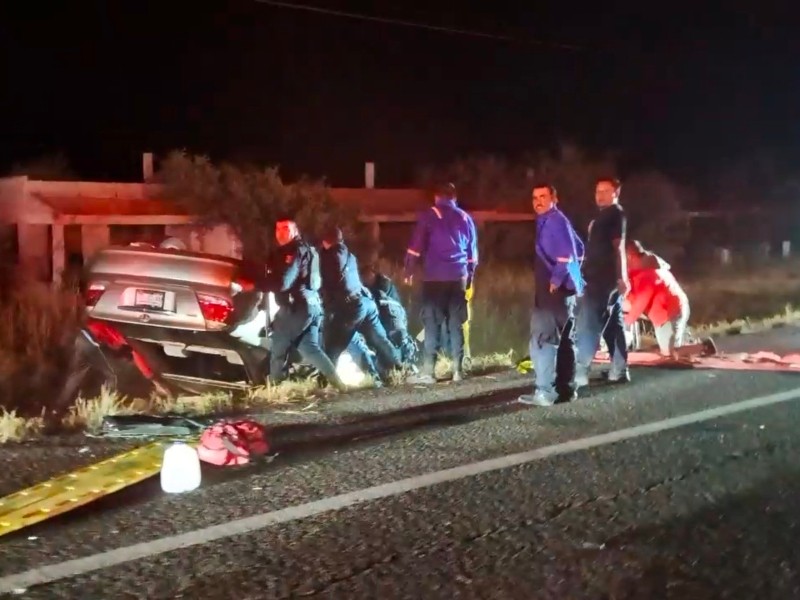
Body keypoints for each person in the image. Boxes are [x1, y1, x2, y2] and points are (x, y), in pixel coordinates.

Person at [518, 183, 585, 407]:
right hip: (565, 295)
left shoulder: (554, 221)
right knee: (565, 341)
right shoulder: (556, 220)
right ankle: (566, 390)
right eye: (535, 197)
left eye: (543, 196)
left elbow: (566, 254)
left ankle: (545, 392)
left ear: (554, 198)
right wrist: (570, 277)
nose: (538, 201)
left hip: (552, 294)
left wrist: (556, 279)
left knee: (542, 341)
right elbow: (579, 249)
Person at [266, 218, 345, 390]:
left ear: (295, 231)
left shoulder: (294, 251)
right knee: (310, 349)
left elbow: (283, 283)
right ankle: (339, 386)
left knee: (278, 347)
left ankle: (273, 391)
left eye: (286, 228)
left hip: (297, 307)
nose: (280, 233)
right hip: (313, 306)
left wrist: (255, 285)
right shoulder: (308, 249)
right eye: (277, 229)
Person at [319, 226, 403, 385]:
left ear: (325, 241)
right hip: (365, 302)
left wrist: (328, 306)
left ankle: (324, 381)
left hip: (349, 308)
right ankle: (399, 368)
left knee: (335, 345)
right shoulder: (349, 255)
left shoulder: (329, 256)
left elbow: (329, 284)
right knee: (380, 340)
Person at [575, 177, 630, 388]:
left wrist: (621, 276)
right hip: (599, 278)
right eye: (598, 191)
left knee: (588, 324)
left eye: (606, 191)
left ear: (616, 192)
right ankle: (619, 368)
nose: (600, 195)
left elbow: (619, 248)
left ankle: (581, 372)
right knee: (613, 324)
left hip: (602, 280)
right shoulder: (601, 218)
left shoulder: (615, 214)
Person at [624, 240, 717, 358]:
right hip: (666, 312)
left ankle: (703, 346)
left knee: (670, 354)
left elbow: (641, 302)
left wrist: (627, 322)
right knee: (669, 348)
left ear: (630, 256)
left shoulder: (648, 274)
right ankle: (684, 341)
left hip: (670, 313)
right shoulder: (644, 267)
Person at [362, 265, 419, 367]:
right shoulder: (386, 289)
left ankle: (401, 364)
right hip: (396, 327)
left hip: (392, 327)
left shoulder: (380, 291)